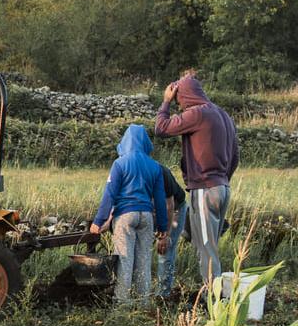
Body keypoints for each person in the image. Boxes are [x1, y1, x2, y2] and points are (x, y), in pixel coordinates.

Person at [154, 70, 239, 287]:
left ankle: (214, 301)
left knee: (206, 250)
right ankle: (193, 229)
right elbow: (235, 157)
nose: (180, 106)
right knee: (202, 239)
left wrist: (165, 102)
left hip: (204, 188)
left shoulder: (197, 114)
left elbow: (161, 129)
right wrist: (221, 179)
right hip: (223, 187)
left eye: (179, 100)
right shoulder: (223, 115)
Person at [88, 125, 168, 305]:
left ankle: (122, 305)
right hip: (146, 216)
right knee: (144, 262)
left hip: (125, 216)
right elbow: (160, 199)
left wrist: (98, 221)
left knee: (125, 261)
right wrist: (163, 227)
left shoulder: (120, 163)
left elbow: (110, 194)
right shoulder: (155, 166)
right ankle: (143, 303)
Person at [155, 162, 188, 297]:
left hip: (175, 210)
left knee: (164, 250)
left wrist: (165, 235)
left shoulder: (162, 172)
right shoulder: (130, 169)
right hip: (152, 210)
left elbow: (170, 206)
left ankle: (163, 295)